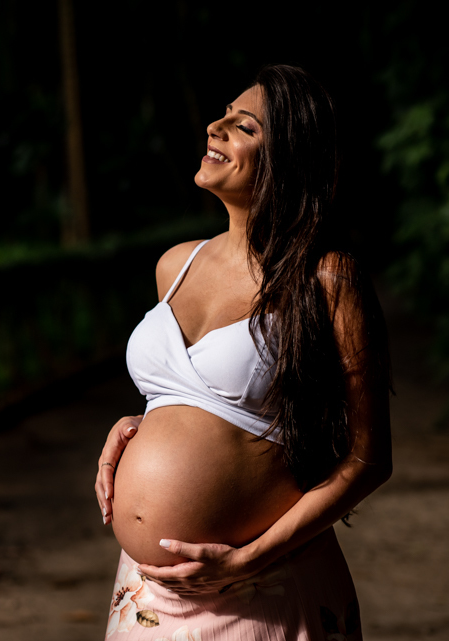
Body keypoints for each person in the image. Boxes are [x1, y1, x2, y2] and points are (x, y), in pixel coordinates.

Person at [93, 65, 392, 640]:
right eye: (222, 115)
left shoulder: (328, 279)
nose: (215, 127)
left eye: (244, 126)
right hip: (148, 590)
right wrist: (140, 424)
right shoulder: (175, 265)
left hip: (264, 584)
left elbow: (369, 458)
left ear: (290, 159)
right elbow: (193, 401)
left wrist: (248, 559)